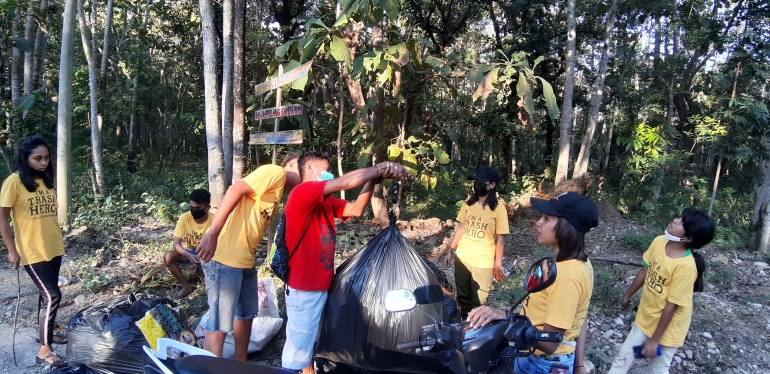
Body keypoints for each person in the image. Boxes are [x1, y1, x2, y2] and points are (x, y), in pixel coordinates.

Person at [281, 151, 409, 374]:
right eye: (326, 167)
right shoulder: (302, 192)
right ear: (310, 167)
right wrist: (380, 167)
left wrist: (371, 180)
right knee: (297, 352)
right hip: (304, 287)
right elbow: (345, 182)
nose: (329, 172)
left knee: (311, 342)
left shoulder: (326, 202)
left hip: (321, 284)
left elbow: (356, 209)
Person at [467, 192, 599, 374]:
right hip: (540, 357)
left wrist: (506, 319)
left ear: (566, 226)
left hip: (543, 363)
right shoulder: (580, 263)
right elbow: (580, 317)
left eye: (546, 218)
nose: (538, 222)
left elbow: (550, 342)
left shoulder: (567, 276)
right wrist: (578, 365)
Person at [194, 151, 303, 361]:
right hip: (225, 257)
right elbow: (236, 189)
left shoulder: (279, 191)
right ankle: (208, 368)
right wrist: (213, 233)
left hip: (244, 259)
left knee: (246, 315)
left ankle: (240, 364)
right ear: (294, 165)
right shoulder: (276, 172)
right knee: (219, 324)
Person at [608, 208, 714, 374]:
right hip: (647, 317)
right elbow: (644, 270)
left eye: (682, 222)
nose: (676, 220)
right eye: (679, 217)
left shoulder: (685, 267)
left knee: (659, 368)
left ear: (689, 238)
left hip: (670, 327)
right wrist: (628, 294)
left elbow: (672, 306)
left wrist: (654, 340)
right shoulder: (659, 241)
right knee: (624, 356)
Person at [0, 136, 67, 367]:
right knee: (53, 295)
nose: (43, 162)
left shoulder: (46, 181)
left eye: (46, 158)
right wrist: (11, 249)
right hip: (31, 250)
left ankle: (43, 336)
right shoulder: (14, 182)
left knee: (45, 297)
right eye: (37, 158)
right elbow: (3, 217)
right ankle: (44, 351)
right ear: (25, 158)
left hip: (53, 247)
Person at [442, 166, 509, 318]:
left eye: (481, 183)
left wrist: (498, 265)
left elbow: (500, 240)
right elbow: (460, 228)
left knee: (479, 304)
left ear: (492, 185)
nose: (477, 186)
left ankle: (476, 334)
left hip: (483, 263)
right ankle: (464, 330)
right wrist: (450, 250)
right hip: (463, 259)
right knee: (463, 299)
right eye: (475, 182)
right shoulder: (469, 204)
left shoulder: (499, 210)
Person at [164, 189, 213, 300]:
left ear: (207, 208)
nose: (194, 211)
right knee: (168, 256)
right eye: (191, 208)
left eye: (198, 208)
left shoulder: (214, 219)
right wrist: (189, 255)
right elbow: (176, 244)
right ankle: (186, 287)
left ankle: (204, 274)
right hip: (191, 252)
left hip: (209, 253)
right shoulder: (184, 217)